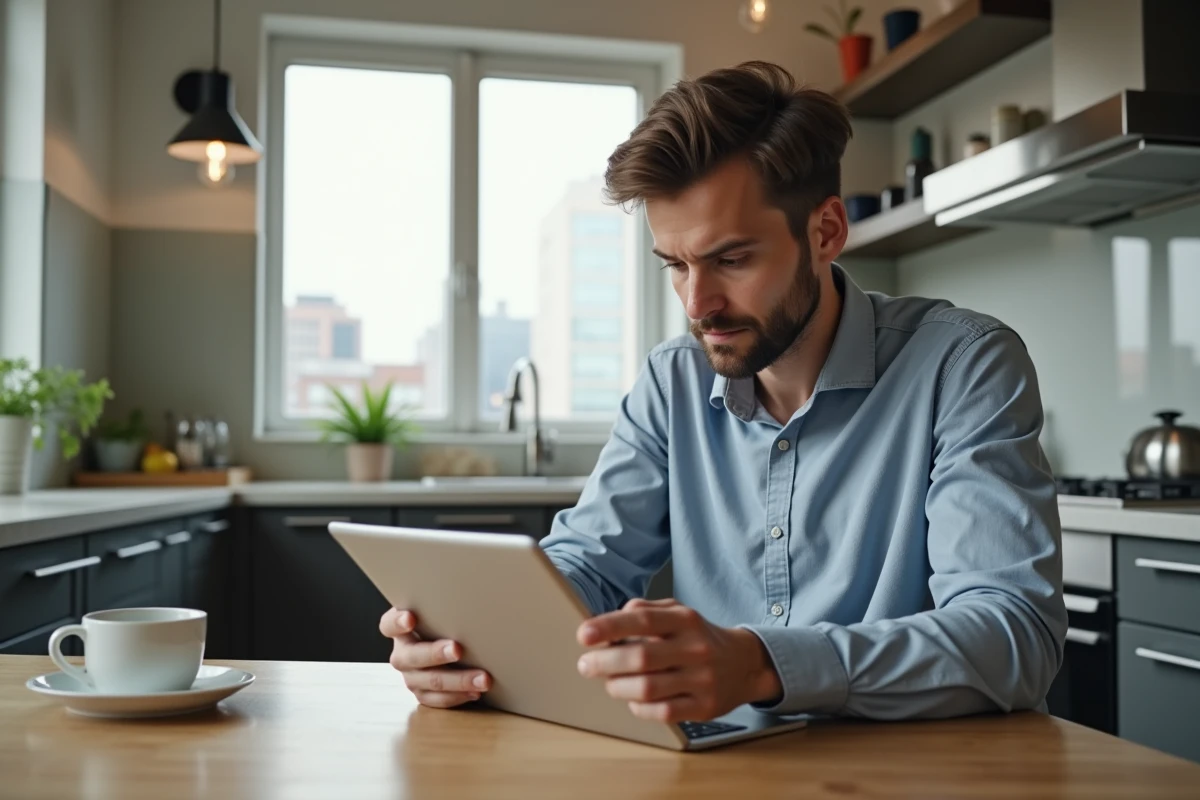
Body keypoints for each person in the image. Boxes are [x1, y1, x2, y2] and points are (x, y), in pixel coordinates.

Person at [380, 61, 1066, 722]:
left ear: (824, 231)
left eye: (731, 260)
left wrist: (762, 664)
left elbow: (1013, 638)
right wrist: (465, 640)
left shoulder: (964, 364)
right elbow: (588, 564)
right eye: (675, 265)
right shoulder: (672, 381)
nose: (698, 303)